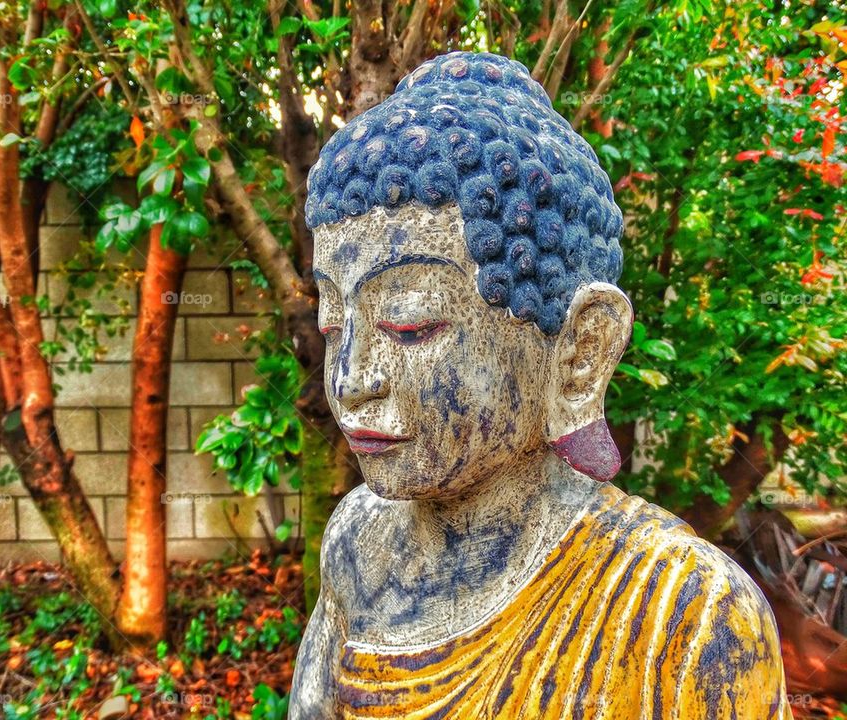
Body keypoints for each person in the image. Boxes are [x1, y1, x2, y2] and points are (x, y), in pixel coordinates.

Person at [288, 51, 792, 720]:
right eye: (332, 320)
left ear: (581, 350)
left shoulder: (688, 613)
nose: (351, 380)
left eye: (409, 323)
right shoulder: (358, 544)